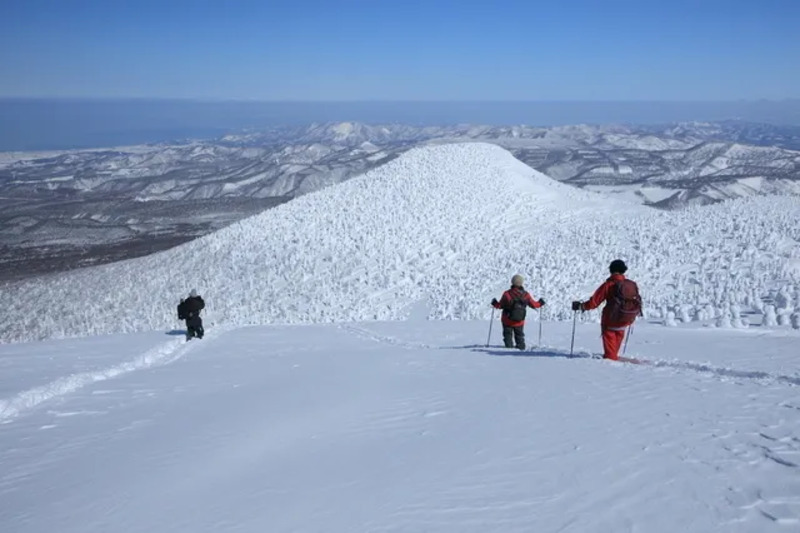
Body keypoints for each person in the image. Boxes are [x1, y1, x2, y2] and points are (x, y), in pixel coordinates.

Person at [572, 260, 642, 360]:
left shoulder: (609, 285)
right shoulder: (631, 285)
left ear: (611, 270)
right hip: (625, 320)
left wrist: (581, 306)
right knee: (614, 349)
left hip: (610, 321)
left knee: (610, 356)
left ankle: (611, 369)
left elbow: (594, 303)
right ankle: (614, 361)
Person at [491, 274, 545, 350]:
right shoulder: (526, 295)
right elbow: (534, 305)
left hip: (507, 320)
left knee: (507, 336)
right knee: (519, 336)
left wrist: (494, 303)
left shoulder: (507, 294)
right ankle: (521, 349)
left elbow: (500, 305)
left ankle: (508, 349)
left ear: (512, 282)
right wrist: (540, 303)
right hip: (519, 320)